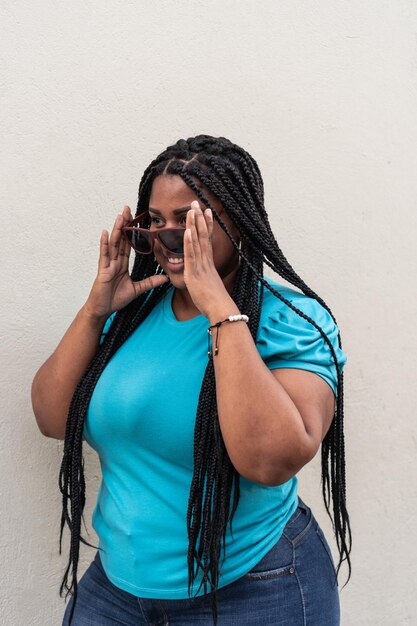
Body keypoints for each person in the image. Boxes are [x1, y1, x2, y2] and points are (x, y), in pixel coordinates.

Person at [31, 134, 351, 626]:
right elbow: (52, 418)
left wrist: (218, 308)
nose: (167, 236)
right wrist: (97, 309)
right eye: (155, 222)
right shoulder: (130, 318)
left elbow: (271, 461)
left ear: (238, 223)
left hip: (255, 587)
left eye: (189, 220)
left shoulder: (291, 320)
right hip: (117, 590)